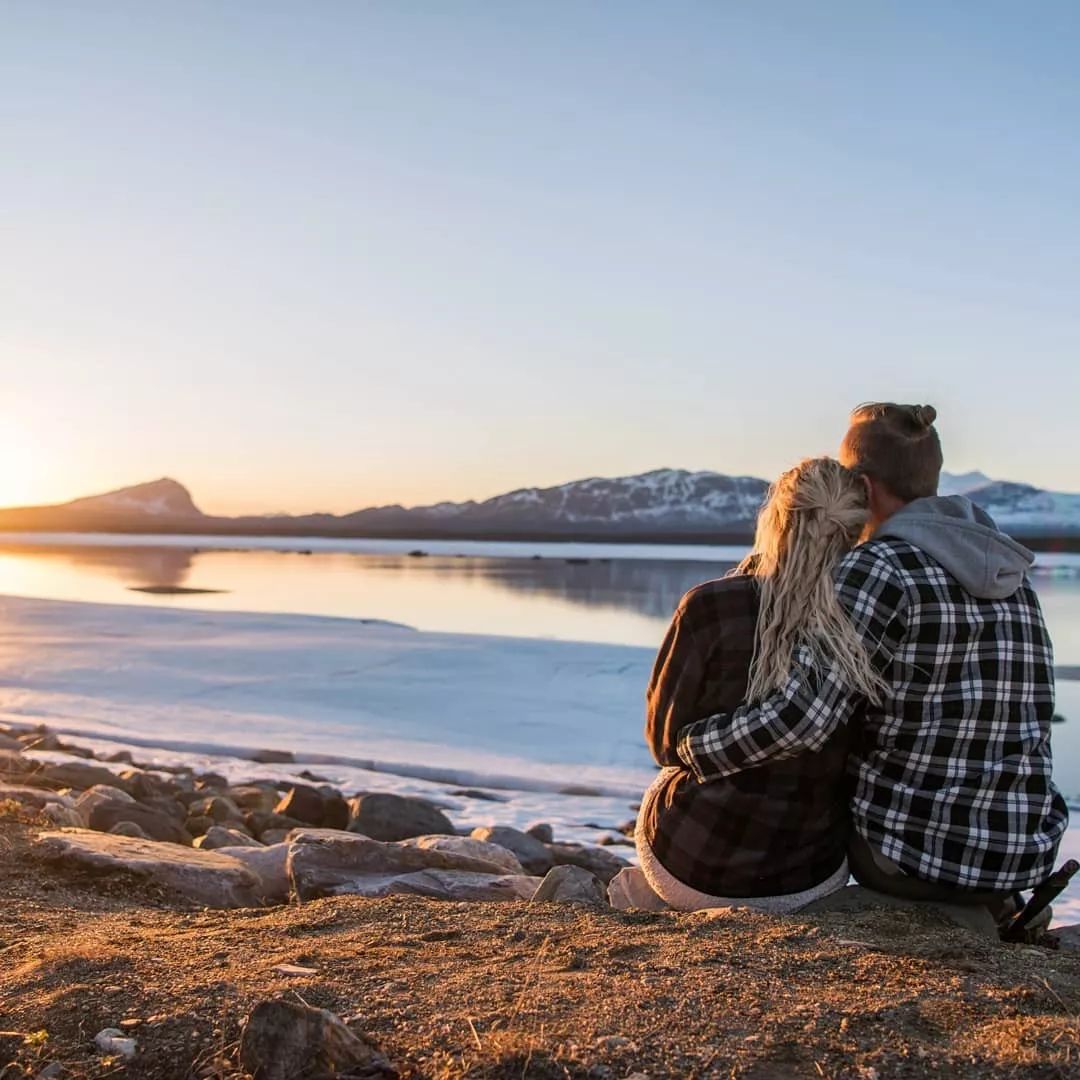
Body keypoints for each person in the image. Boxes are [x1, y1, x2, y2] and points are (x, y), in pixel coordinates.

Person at [676, 404, 1068, 915]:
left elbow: (802, 721)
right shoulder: (1011, 574)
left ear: (861, 486)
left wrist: (691, 750)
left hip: (910, 857)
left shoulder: (878, 566)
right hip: (1019, 853)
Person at [609, 456, 881, 912]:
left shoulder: (710, 607)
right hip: (807, 877)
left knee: (666, 781)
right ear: (856, 530)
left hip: (692, 863)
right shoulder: (866, 620)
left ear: (775, 520)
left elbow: (663, 746)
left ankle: (654, 903)